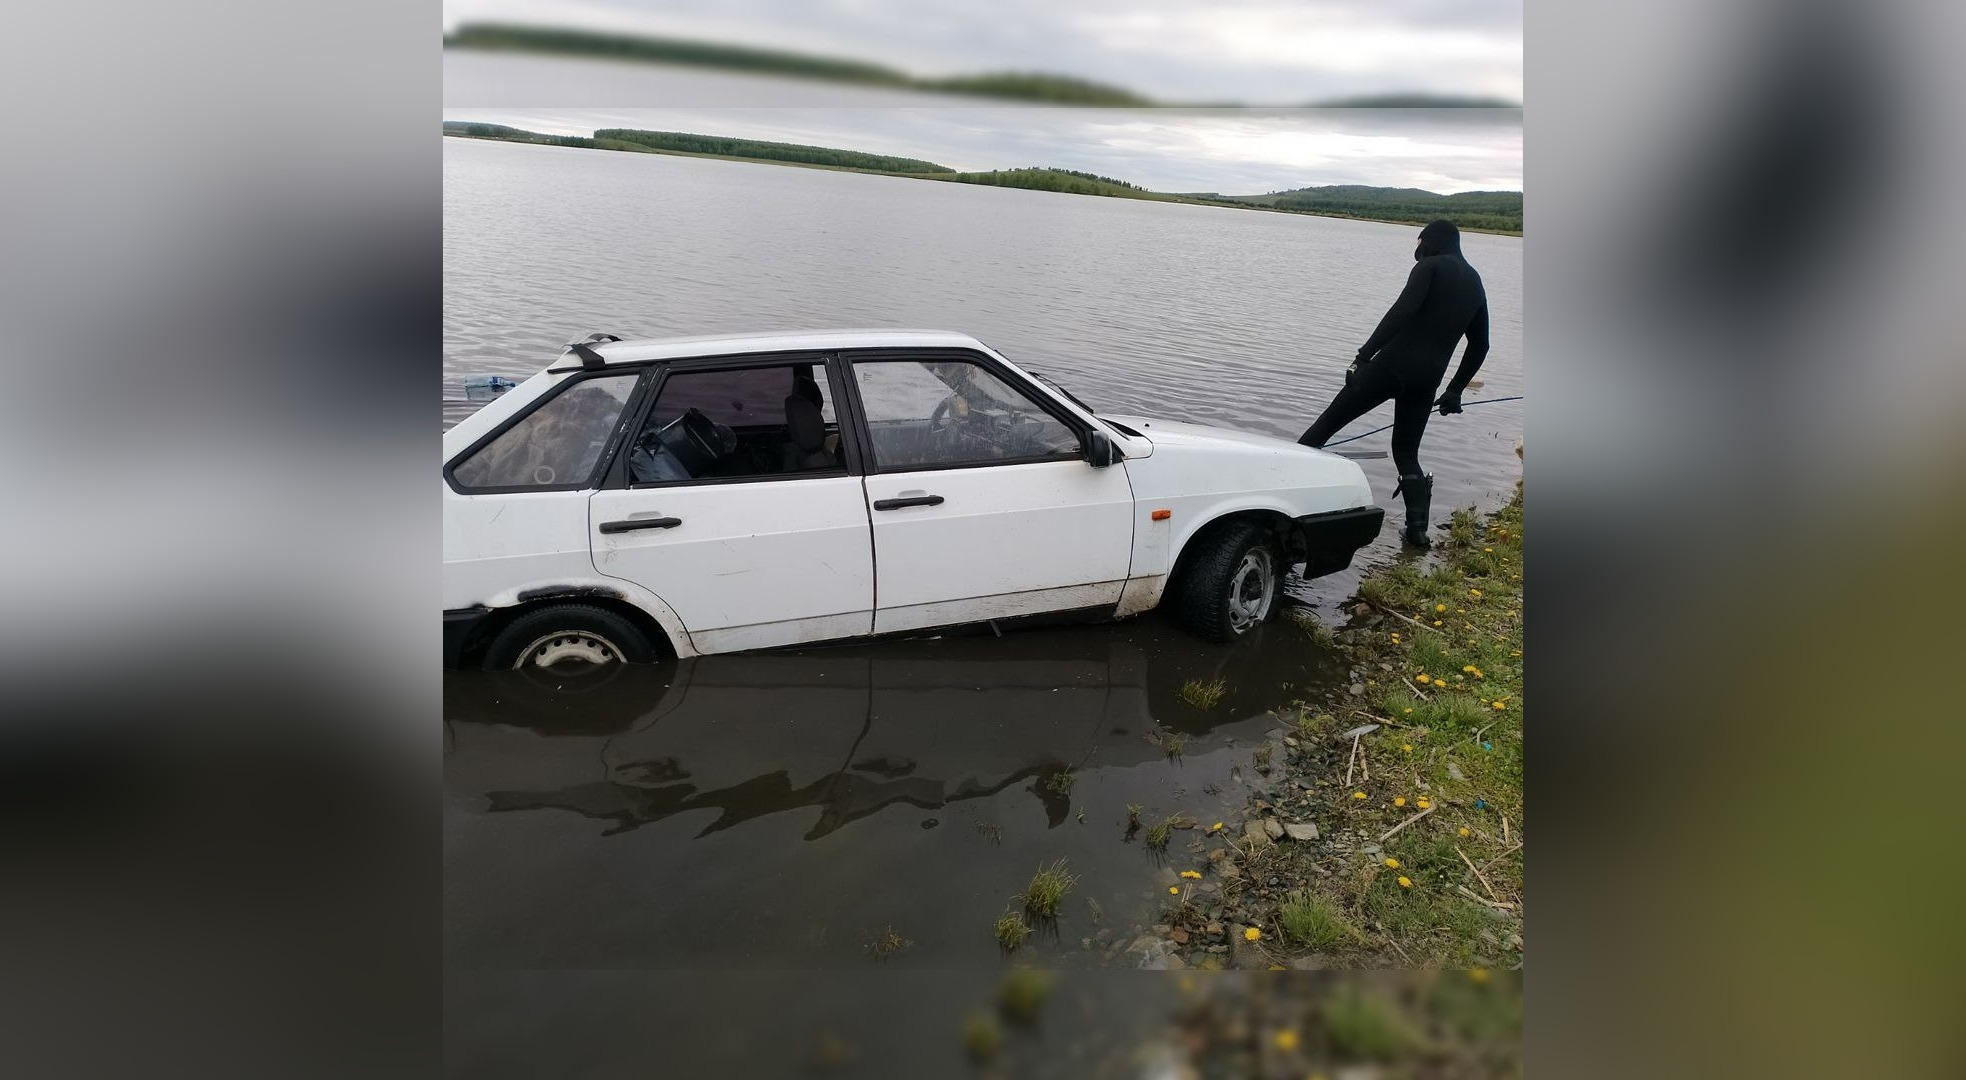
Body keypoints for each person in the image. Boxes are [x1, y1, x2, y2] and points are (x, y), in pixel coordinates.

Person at [1297, 219, 1490, 548]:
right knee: (1405, 452)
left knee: (1323, 429)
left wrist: (1362, 357)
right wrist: (1455, 388)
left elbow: (1401, 311)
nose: (1418, 249)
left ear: (1430, 241)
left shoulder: (1430, 267)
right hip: (1428, 380)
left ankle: (1286, 502)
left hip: (1392, 366)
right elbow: (1480, 344)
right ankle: (1417, 531)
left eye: (1420, 242)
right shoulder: (1475, 282)